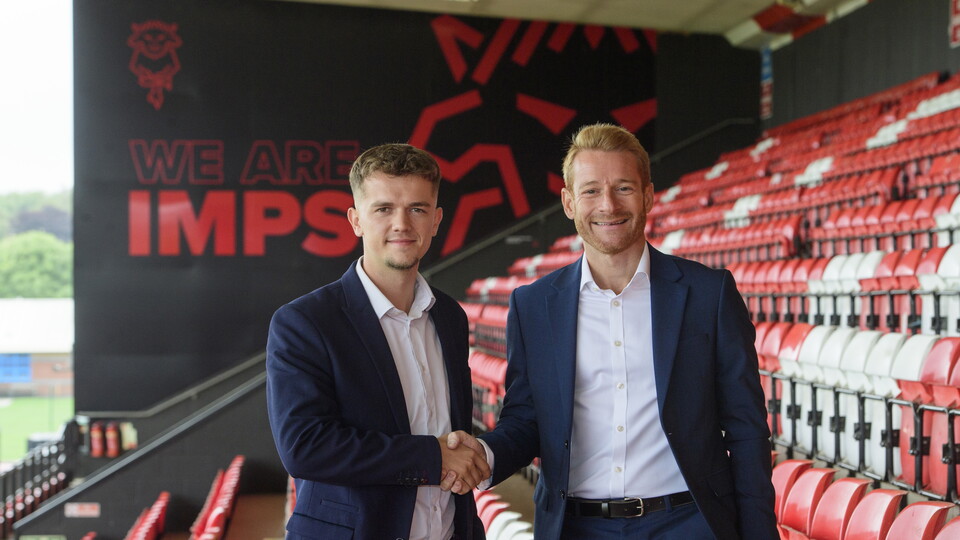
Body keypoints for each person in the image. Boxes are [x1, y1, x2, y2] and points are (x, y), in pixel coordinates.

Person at [446, 123, 778, 539]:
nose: (608, 204)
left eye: (623, 187)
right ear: (568, 202)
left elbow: (747, 428)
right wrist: (487, 453)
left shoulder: (708, 294)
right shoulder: (532, 306)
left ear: (648, 196)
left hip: (688, 523)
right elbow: (528, 418)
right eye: (590, 191)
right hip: (578, 528)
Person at [266, 143, 488, 540]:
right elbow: (304, 446)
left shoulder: (450, 317)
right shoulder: (305, 321)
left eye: (417, 209)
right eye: (384, 209)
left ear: (436, 220)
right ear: (356, 220)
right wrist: (431, 457)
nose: (402, 224)